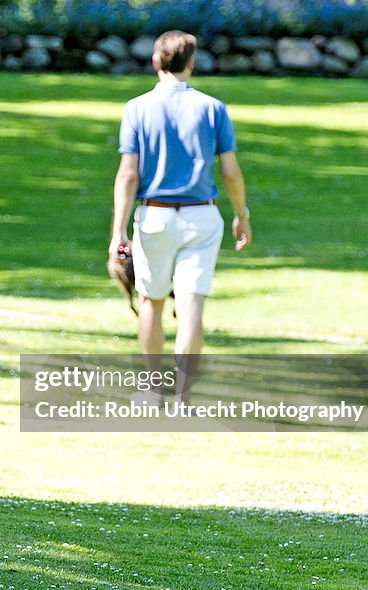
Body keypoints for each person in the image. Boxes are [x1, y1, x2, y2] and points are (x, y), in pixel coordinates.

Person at [109, 30, 252, 402]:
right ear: (191, 63)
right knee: (190, 308)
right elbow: (231, 172)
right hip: (201, 218)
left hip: (154, 218)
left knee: (150, 303)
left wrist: (117, 230)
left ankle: (155, 390)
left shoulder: (137, 108)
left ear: (156, 62)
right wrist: (242, 215)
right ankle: (183, 396)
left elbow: (127, 174)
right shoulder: (213, 108)